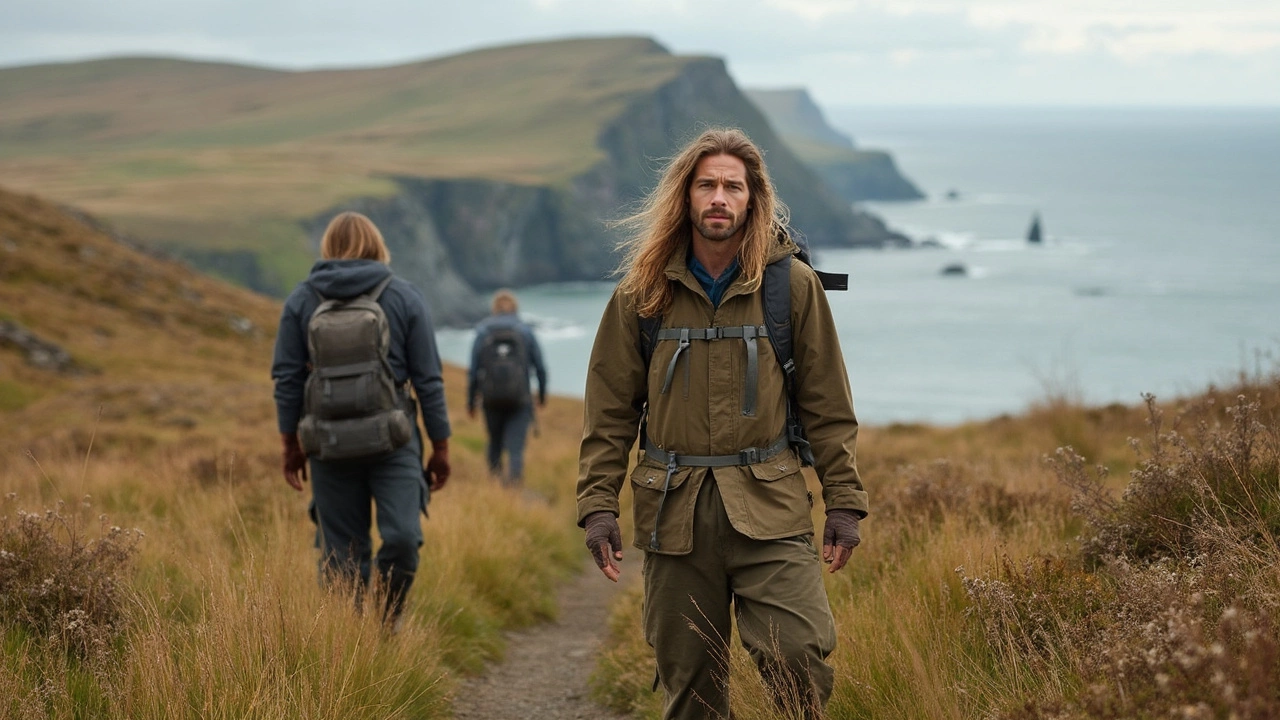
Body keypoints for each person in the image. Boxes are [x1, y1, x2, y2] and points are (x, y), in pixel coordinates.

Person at [576, 128, 868, 719]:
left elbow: (828, 407)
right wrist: (598, 505)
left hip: (772, 509)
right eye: (706, 184)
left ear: (753, 200)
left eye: (733, 186)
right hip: (674, 516)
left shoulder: (792, 287)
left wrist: (844, 503)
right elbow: (609, 414)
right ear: (684, 196)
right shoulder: (642, 293)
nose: (719, 197)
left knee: (799, 658)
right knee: (692, 691)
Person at [272, 211, 451, 626]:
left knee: (341, 553)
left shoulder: (301, 299)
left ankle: (366, 632)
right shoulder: (403, 295)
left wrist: (289, 445)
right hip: (393, 443)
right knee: (402, 540)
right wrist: (440, 447)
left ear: (328, 248)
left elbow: (285, 379)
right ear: (377, 245)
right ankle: (372, 633)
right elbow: (429, 379)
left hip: (331, 445)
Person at [467, 289, 548, 486]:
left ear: (495, 309)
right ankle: (514, 490)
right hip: (520, 399)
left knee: (494, 443)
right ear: (515, 308)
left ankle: (495, 486)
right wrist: (542, 396)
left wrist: (471, 402)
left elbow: (474, 370)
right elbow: (540, 367)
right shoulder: (525, 331)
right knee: (516, 448)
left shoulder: (483, 331)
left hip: (490, 399)